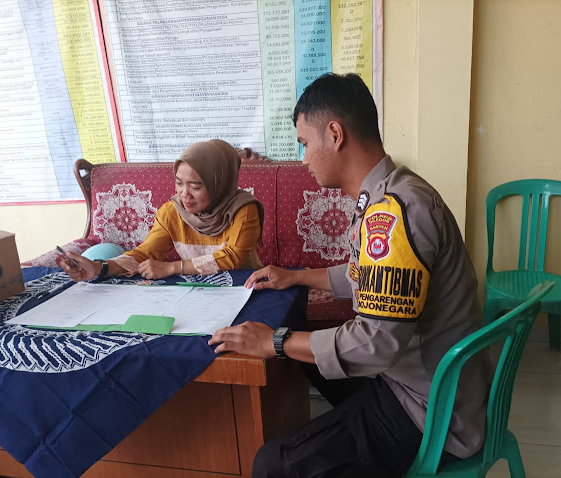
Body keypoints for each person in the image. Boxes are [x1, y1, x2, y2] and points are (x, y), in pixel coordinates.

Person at [208, 74, 492, 477]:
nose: (304, 159)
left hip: (429, 411)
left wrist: (274, 341)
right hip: (416, 378)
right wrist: (298, 277)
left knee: (272, 463)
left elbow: (375, 344)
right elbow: (366, 276)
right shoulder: (390, 192)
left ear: (335, 134)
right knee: (303, 345)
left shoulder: (396, 212)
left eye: (305, 143)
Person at [61, 139, 264, 281]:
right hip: (199, 289)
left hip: (245, 286)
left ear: (219, 185)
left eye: (195, 187)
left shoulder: (243, 210)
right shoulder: (171, 212)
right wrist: (100, 267)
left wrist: (173, 267)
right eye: (179, 183)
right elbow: (145, 253)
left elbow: (233, 257)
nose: (184, 194)